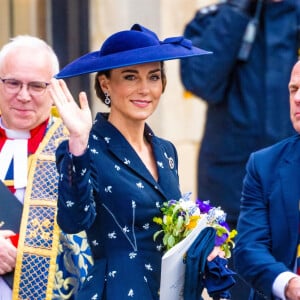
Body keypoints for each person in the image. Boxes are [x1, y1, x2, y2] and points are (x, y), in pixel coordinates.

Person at [49, 24, 225, 299]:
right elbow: (73, 220)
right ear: (106, 83)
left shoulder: (166, 151)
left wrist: (201, 246)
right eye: (130, 77)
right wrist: (78, 144)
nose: (144, 89)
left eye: (153, 77)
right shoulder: (85, 148)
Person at [180, 0, 299, 297]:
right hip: (232, 187)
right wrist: (237, 11)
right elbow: (200, 80)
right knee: (237, 284)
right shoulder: (216, 18)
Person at [0, 35, 92, 300]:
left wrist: (79, 145)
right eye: (13, 83)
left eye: (37, 86)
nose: (23, 95)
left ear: (54, 91)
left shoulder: (76, 144)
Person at [234, 59, 300, 300]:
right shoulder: (264, 165)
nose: (297, 98)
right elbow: (248, 249)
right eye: (293, 89)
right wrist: (289, 284)